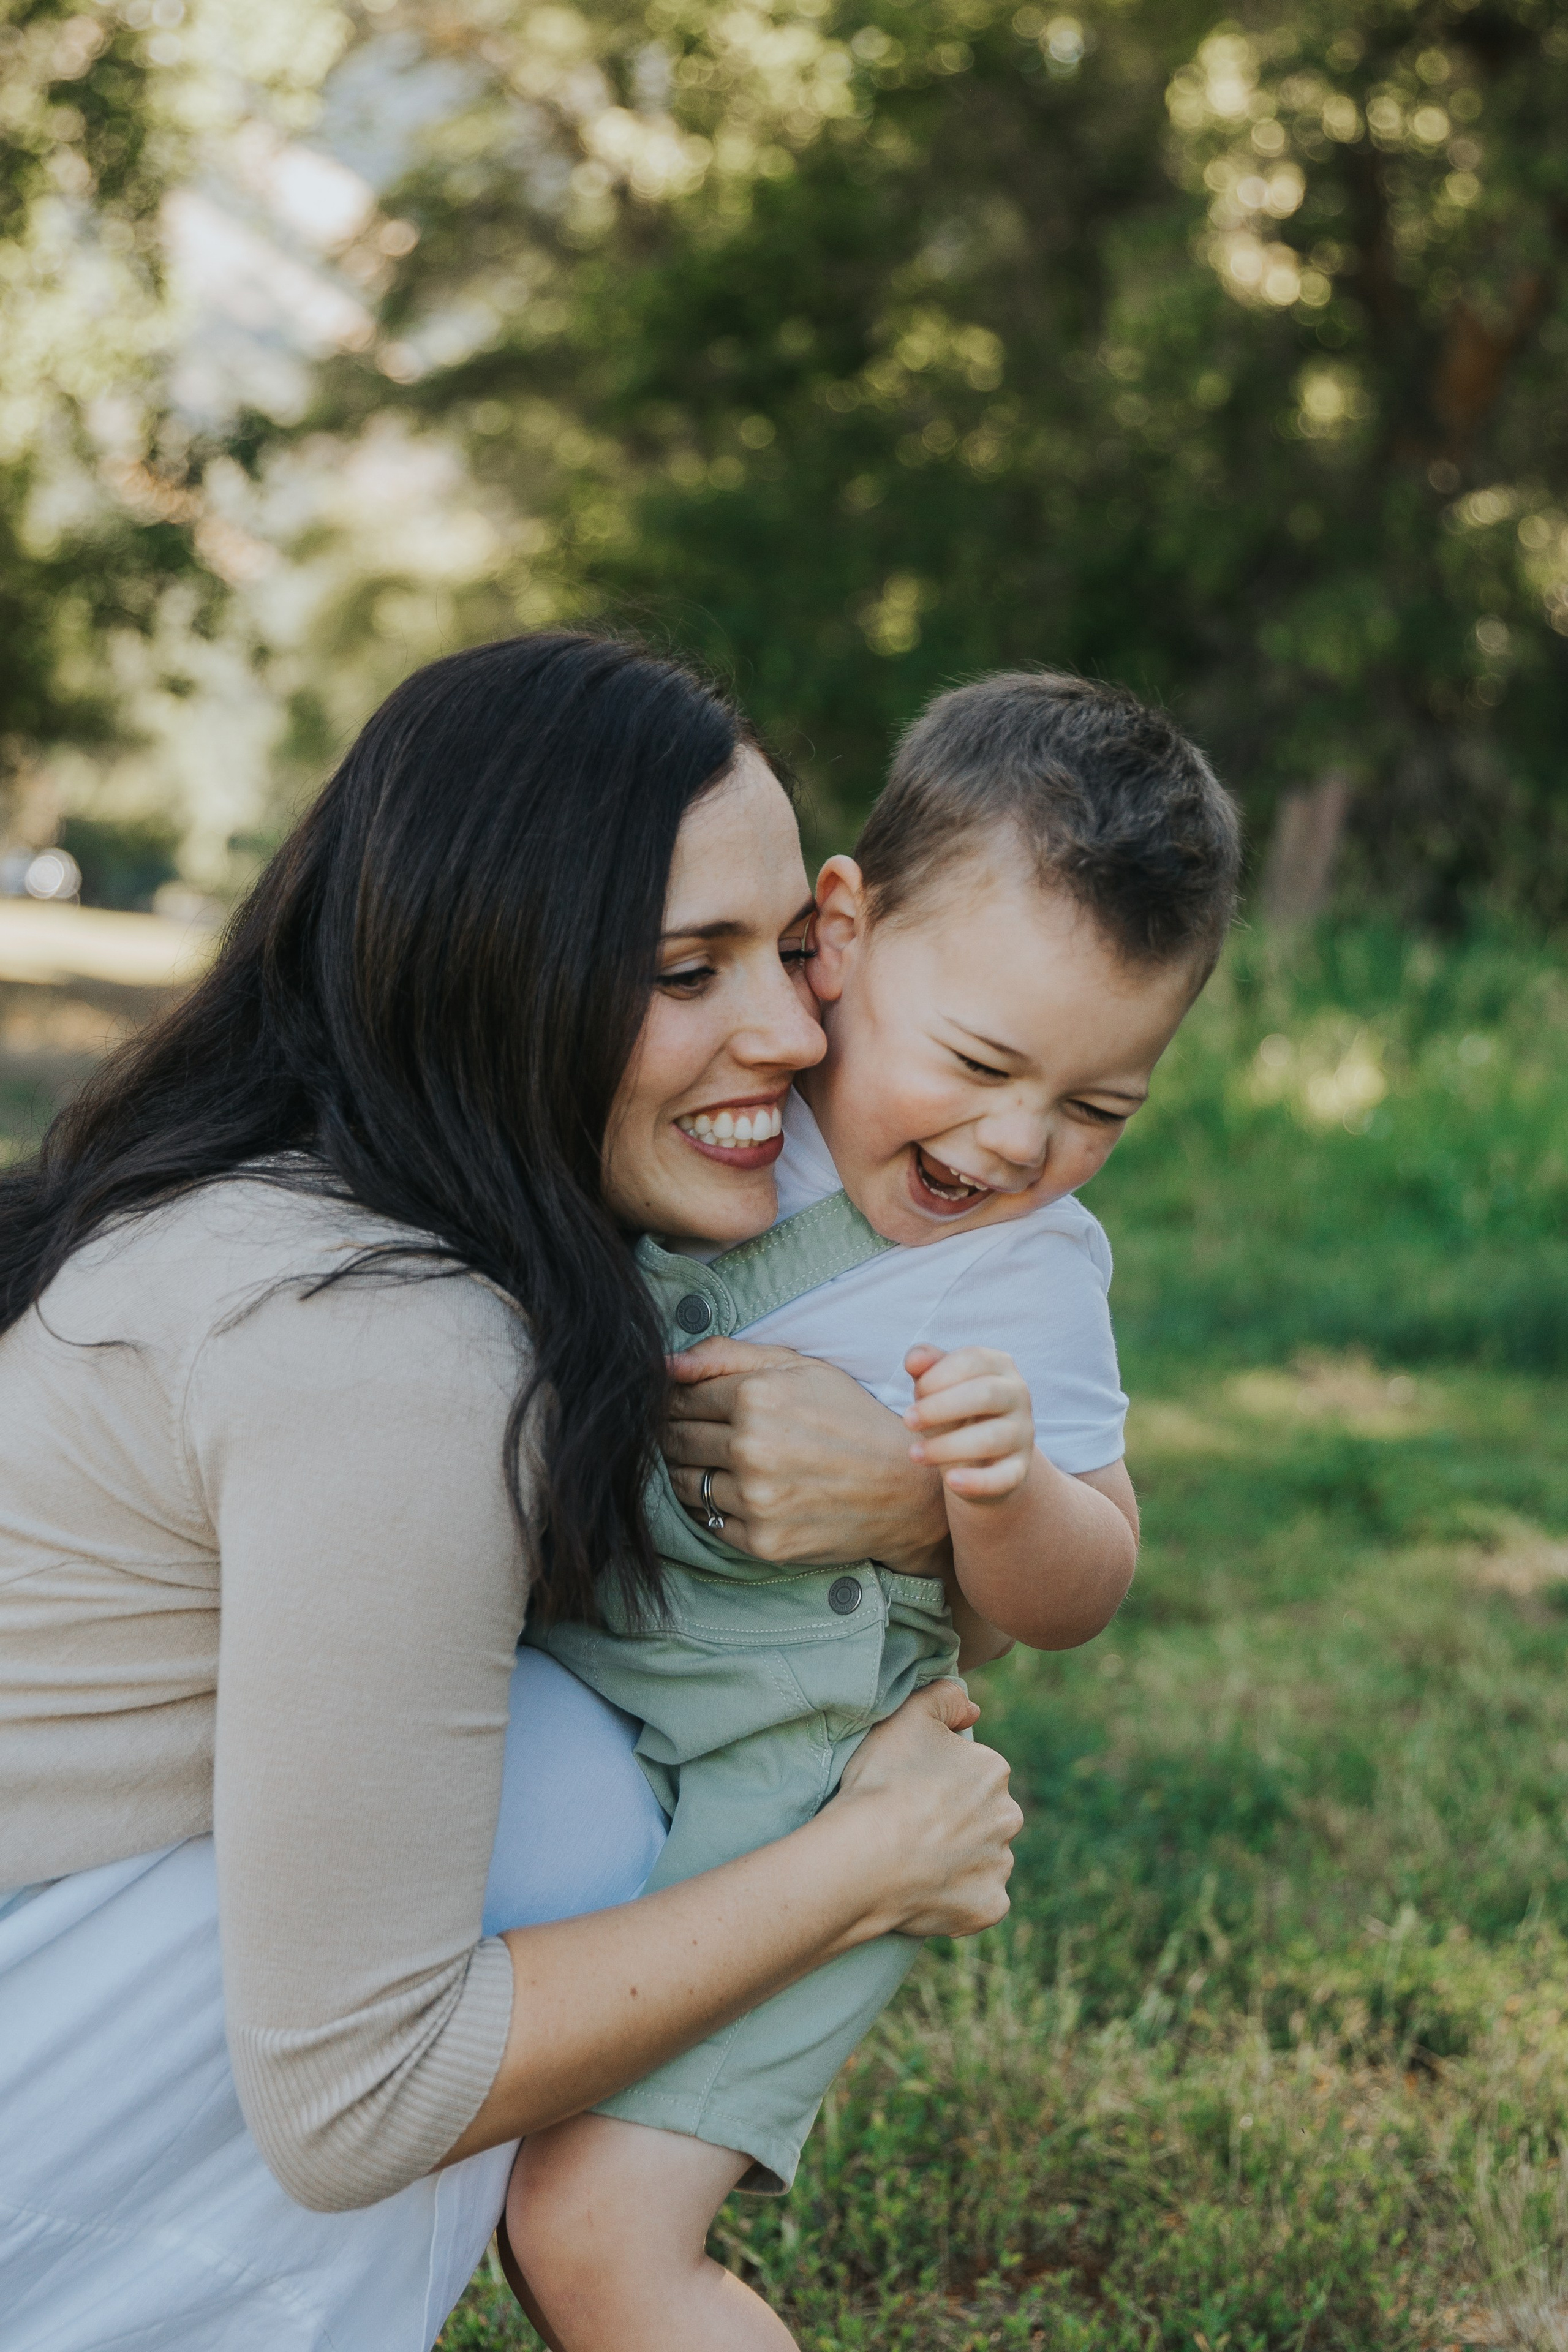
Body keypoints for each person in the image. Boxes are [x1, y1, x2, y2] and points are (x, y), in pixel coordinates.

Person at [0, 632, 1022, 2352]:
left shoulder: (323, 1200)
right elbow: (358, 2100)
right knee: (561, 1795)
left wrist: (926, 1508)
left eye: (791, 950)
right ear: (499, 975)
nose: (792, 1030)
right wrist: (867, 1865)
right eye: (686, 971)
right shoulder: (386, 1344)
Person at [509, 671, 1242, 2352]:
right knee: (487, 2134)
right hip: (596, 1697)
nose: (1019, 1140)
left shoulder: (1028, 1274)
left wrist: (992, 1493)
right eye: (980, 1062)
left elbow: (1082, 1590)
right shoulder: (716, 1100)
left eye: (1099, 1110)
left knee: (595, 2234)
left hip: (806, 1784)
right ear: (838, 930)